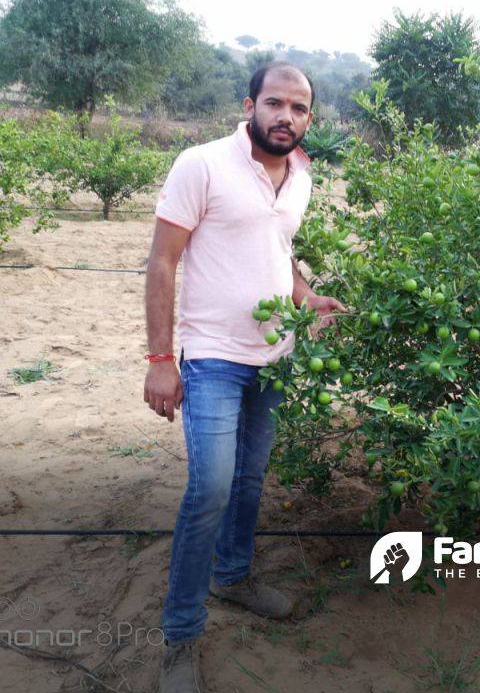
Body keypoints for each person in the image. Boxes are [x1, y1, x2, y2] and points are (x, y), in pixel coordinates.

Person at [143, 61, 345, 693]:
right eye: (276, 103)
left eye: (301, 108)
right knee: (210, 487)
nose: (287, 116)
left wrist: (307, 297)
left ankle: (232, 577)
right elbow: (162, 261)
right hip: (210, 358)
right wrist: (158, 361)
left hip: (274, 357)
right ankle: (180, 636)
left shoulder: (301, 177)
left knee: (251, 480)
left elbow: (278, 253)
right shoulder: (201, 163)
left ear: (310, 119)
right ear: (250, 103)